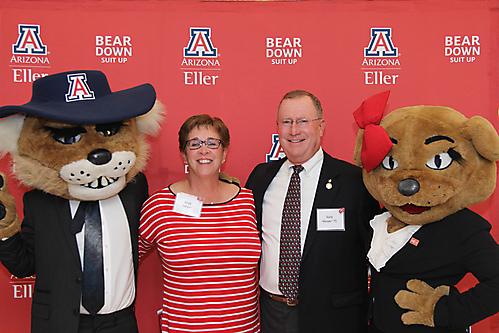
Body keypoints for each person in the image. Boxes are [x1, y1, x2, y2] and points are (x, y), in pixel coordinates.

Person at [245, 90, 380, 333]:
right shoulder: (260, 178)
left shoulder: (354, 182)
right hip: (271, 313)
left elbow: (376, 253)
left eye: (303, 121)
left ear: (321, 127)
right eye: (286, 122)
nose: (294, 130)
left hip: (333, 318)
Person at [139, 114, 261, 333]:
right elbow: (126, 260)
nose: (204, 150)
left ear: (224, 153)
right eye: (194, 144)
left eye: (212, 143)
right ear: (184, 155)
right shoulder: (159, 206)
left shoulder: (249, 202)